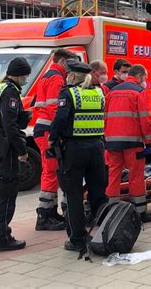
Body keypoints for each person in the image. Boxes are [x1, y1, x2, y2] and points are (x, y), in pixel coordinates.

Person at [48, 60, 108, 254]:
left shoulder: (69, 93)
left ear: (72, 76)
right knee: (98, 194)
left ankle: (77, 239)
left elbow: (60, 119)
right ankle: (107, 232)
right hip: (96, 148)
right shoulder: (99, 92)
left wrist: (52, 139)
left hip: (74, 149)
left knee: (73, 195)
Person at [0, 57, 32, 251]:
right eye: (26, 75)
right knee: (7, 194)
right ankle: (2, 239)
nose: (26, 79)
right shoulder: (10, 92)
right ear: (20, 74)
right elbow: (10, 126)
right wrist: (22, 150)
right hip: (6, 148)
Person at [104, 64, 151, 223]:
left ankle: (111, 211)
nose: (144, 81)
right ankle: (139, 212)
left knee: (114, 175)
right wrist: (149, 142)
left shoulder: (112, 92)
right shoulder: (139, 92)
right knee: (136, 176)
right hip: (133, 142)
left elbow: (105, 117)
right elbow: (145, 120)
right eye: (144, 78)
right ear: (139, 77)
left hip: (112, 141)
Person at [33, 48, 77, 231]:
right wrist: (61, 132)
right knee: (51, 173)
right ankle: (45, 216)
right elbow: (54, 108)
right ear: (62, 61)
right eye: (70, 63)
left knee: (50, 171)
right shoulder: (57, 78)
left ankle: (49, 212)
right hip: (48, 131)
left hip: (42, 130)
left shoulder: (47, 76)